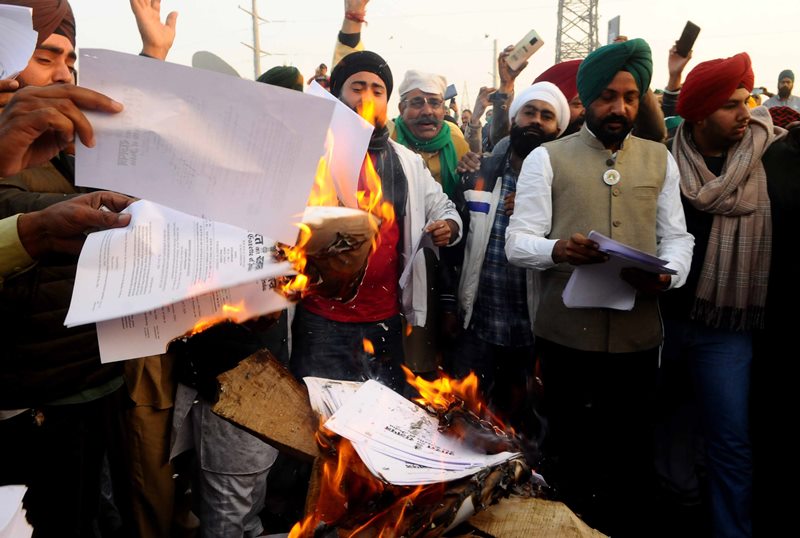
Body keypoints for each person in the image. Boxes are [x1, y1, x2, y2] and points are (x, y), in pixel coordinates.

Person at [505, 38, 694, 536]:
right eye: (608, 96)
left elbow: (678, 237)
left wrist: (669, 274)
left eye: (630, 97)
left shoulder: (660, 160)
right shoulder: (547, 158)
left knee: (630, 458)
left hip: (637, 341)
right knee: (568, 454)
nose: (620, 108)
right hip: (566, 341)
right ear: (587, 100)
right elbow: (517, 242)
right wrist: (558, 250)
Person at [664, 52, 790, 538]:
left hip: (727, 330)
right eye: (729, 105)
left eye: (747, 100)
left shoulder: (769, 156)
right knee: (663, 429)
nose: (745, 114)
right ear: (696, 113)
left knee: (730, 441)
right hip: (664, 320)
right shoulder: (662, 160)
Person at [289, 50, 461, 393]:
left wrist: (448, 226)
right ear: (337, 94)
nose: (367, 96)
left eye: (377, 90)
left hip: (384, 319)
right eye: (357, 87)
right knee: (322, 423)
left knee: (377, 424)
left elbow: (443, 206)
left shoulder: (406, 162)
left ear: (386, 101)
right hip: (321, 320)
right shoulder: (311, 155)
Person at [454, 82, 569, 436]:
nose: (536, 121)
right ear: (515, 118)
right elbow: (456, 244)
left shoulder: (565, 182)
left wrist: (535, 212)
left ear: (559, 128)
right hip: (481, 324)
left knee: (528, 427)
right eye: (529, 112)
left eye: (546, 116)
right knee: (471, 422)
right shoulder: (484, 172)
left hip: (534, 331)